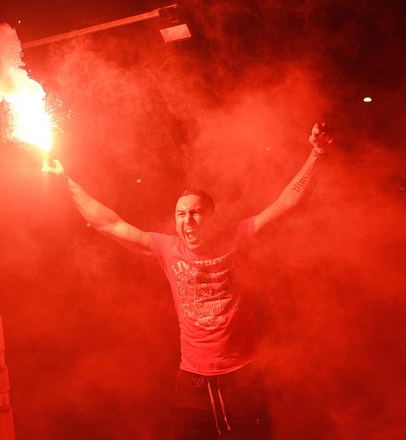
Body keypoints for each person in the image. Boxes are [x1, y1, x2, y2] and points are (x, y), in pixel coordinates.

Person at [42, 122, 332, 439]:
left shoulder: (238, 237)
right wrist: (65, 182)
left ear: (212, 216)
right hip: (192, 381)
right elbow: (109, 223)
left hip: (243, 377)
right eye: (181, 214)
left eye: (195, 213)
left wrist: (317, 152)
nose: (187, 220)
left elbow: (288, 203)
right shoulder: (167, 249)